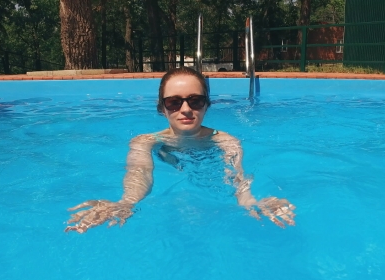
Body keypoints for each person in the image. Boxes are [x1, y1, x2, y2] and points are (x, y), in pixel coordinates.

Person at [65, 66, 295, 233]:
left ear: (207, 105)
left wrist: (252, 202)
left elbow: (236, 177)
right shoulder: (145, 141)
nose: (185, 109)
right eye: (174, 102)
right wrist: (126, 202)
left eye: (195, 101)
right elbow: (140, 171)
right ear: (162, 108)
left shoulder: (226, 142)